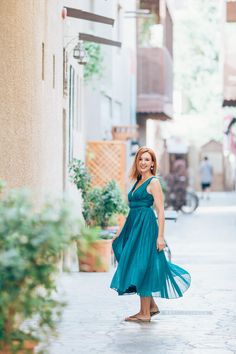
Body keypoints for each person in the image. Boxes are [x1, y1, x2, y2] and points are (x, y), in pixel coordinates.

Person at [110, 146, 191, 322]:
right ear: (137, 162)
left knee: (142, 264)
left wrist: (160, 237)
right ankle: (151, 306)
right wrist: (120, 231)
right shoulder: (138, 181)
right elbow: (129, 209)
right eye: (140, 159)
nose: (143, 162)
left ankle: (144, 313)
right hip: (134, 226)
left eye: (147, 159)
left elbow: (161, 211)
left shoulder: (153, 182)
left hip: (146, 227)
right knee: (125, 254)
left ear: (153, 163)